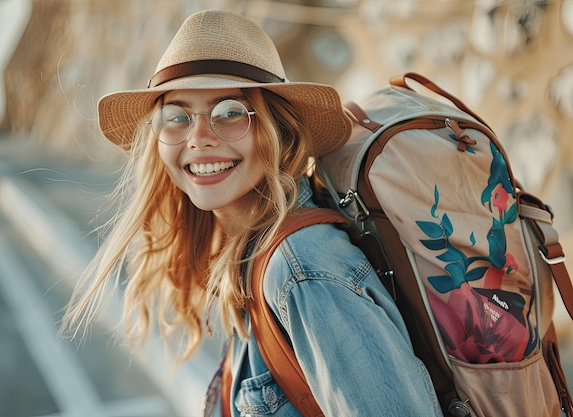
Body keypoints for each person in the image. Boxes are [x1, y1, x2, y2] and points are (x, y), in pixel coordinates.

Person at [62, 9, 443, 417]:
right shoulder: (252, 256)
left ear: (278, 131)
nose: (199, 138)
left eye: (229, 112)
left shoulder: (303, 271)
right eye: (176, 116)